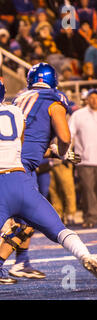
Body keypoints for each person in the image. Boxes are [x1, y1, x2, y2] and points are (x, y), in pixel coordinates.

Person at [0, 73, 97, 298]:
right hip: (21, 180)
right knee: (60, 231)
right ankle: (86, 256)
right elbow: (19, 144)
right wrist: (55, 151)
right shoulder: (15, 113)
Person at [0, 63, 82, 284]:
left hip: (7, 161)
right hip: (22, 168)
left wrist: (55, 153)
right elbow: (65, 138)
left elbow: (29, 143)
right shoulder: (53, 99)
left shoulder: (19, 98)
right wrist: (64, 152)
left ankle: (20, 262)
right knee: (28, 220)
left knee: (26, 220)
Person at [69, 88, 97, 228]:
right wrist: (67, 153)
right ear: (87, 99)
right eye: (91, 97)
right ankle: (90, 218)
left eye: (96, 97)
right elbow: (69, 134)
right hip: (85, 160)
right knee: (87, 192)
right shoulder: (79, 115)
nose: (94, 100)